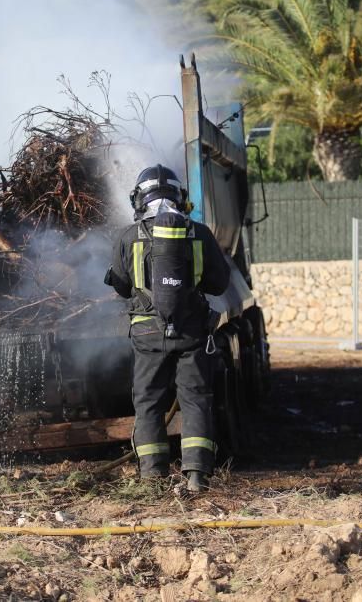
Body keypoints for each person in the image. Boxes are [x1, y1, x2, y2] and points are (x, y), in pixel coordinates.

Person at [105, 164, 230, 492]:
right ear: (179, 196)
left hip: (147, 335)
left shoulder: (128, 236)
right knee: (195, 399)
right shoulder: (199, 232)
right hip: (192, 333)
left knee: (148, 402)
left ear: (139, 198)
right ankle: (197, 476)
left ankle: (152, 476)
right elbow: (218, 284)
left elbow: (120, 287)